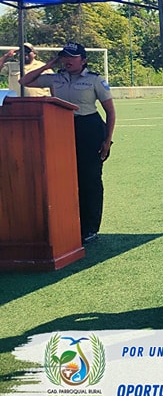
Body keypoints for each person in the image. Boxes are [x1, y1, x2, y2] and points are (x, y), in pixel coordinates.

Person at [21, 42, 115, 244]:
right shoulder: (56, 78)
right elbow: (25, 80)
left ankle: (91, 227)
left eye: (72, 57)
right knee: (67, 178)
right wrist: (49, 65)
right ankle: (72, 224)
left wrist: (107, 140)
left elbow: (110, 111)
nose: (67, 61)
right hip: (63, 129)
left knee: (90, 178)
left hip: (89, 129)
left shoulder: (95, 80)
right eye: (64, 57)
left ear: (84, 60)